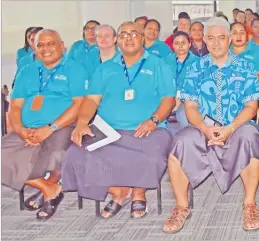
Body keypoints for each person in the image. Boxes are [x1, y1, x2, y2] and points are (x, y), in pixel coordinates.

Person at [62, 21, 176, 219]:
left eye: (134, 33)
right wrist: (81, 123)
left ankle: (139, 192)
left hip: (150, 128)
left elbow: (169, 99)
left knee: (151, 155)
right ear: (117, 40)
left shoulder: (158, 65)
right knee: (75, 154)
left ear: (142, 38)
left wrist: (154, 120)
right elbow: (91, 100)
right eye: (123, 34)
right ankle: (118, 190)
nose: (129, 37)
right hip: (108, 130)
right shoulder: (105, 68)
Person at [161, 17, 259, 233]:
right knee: (179, 142)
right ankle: (181, 207)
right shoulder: (195, 68)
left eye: (221, 38)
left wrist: (230, 128)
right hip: (203, 126)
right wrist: (206, 129)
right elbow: (190, 107)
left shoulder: (245, 67)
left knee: (250, 139)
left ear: (229, 39)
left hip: (238, 125)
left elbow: (251, 107)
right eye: (211, 38)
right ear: (204, 40)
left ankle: (249, 204)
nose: (216, 43)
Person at [2, 29, 86, 220]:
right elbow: (15, 107)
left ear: (62, 46)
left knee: (53, 158)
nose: (46, 49)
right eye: (40, 45)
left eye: (51, 43)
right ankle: (49, 188)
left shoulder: (75, 69)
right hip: (27, 128)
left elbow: (80, 104)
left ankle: (48, 186)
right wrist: (21, 130)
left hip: (62, 126)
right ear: (34, 47)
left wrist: (50, 129)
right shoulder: (27, 70)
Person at [164, 31, 200, 129]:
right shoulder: (164, 61)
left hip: (188, 100)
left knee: (183, 115)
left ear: (189, 44)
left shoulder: (198, 62)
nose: (180, 46)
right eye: (177, 43)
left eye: (183, 43)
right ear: (172, 45)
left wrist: (180, 99)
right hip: (167, 97)